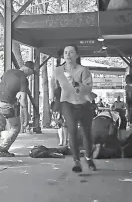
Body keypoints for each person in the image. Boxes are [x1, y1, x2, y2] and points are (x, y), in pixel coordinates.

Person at [51, 45, 96, 173]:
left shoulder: (83, 70)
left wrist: (76, 83)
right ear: (63, 55)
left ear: (77, 55)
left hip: (83, 104)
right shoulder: (58, 71)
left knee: (86, 133)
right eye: (66, 52)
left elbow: (88, 89)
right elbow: (54, 86)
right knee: (72, 130)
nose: (68, 55)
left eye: (71, 52)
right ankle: (76, 161)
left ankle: (88, 157)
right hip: (67, 103)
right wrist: (55, 102)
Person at [0, 61, 34, 157]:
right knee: (15, 127)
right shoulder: (23, 78)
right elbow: (23, 100)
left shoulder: (8, 72)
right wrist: (26, 117)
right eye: (31, 73)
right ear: (28, 69)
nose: (30, 75)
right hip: (7, 103)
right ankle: (3, 149)